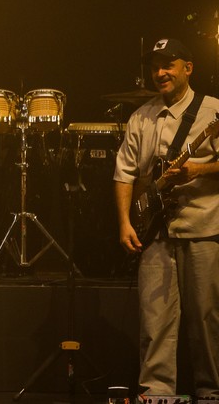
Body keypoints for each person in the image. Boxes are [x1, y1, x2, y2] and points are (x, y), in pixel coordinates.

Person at [114, 37, 219, 402]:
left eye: (168, 65)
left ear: (188, 68)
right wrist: (125, 222)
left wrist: (198, 170)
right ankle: (156, 393)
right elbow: (124, 174)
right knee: (154, 320)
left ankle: (212, 393)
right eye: (155, 67)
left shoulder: (212, 111)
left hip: (202, 228)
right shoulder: (141, 116)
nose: (160, 73)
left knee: (206, 319)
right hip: (155, 233)